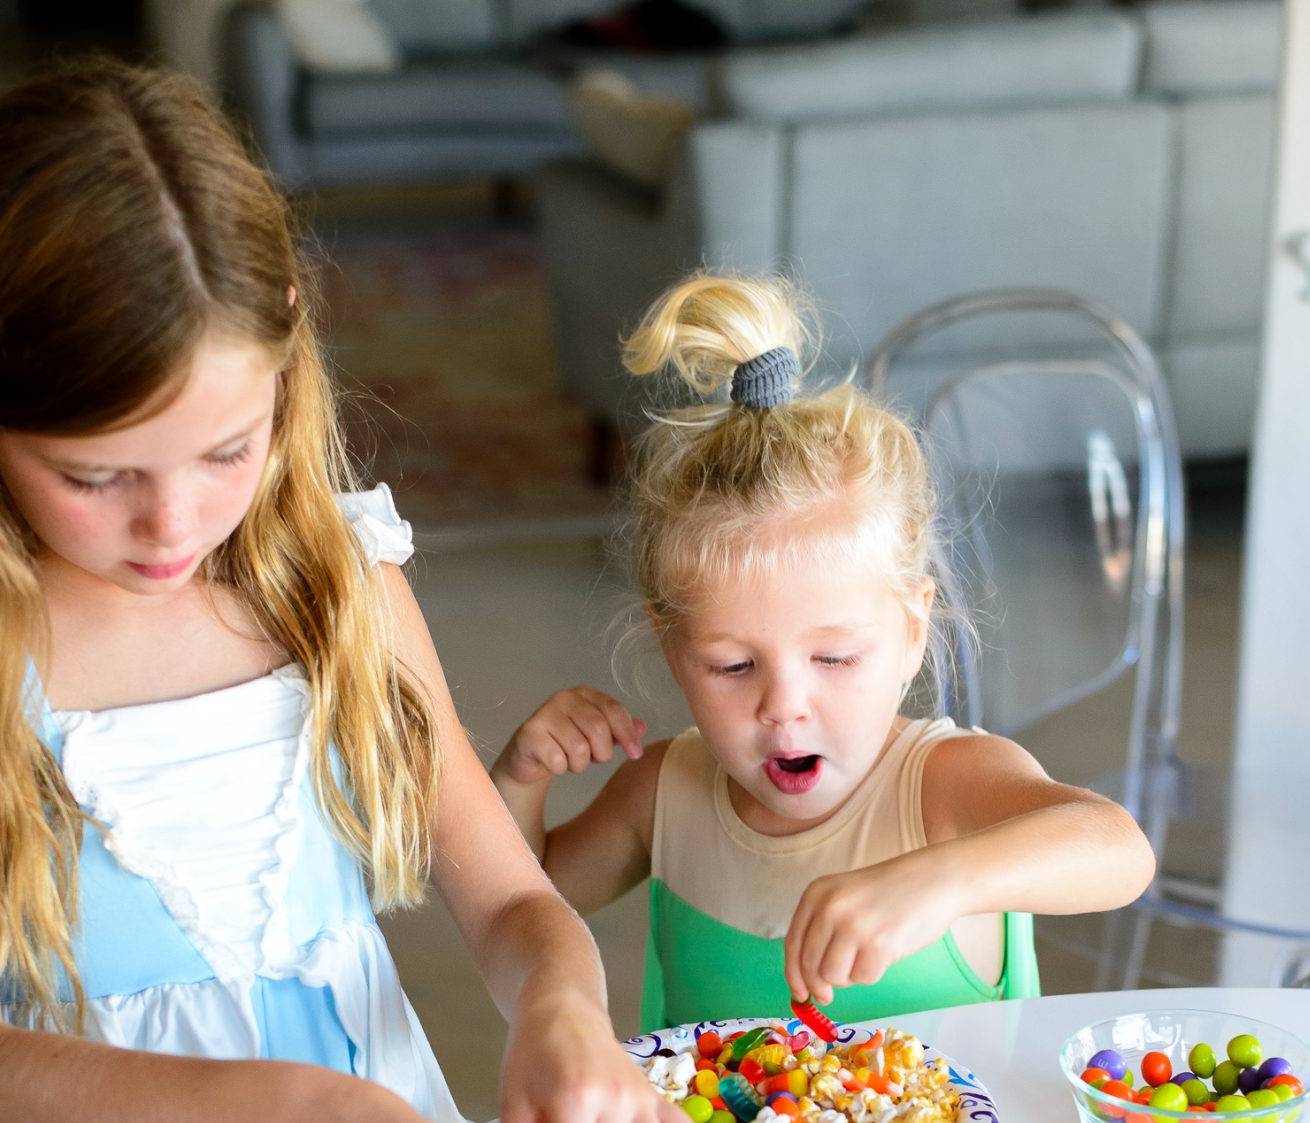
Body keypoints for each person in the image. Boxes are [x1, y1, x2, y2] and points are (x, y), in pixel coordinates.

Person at [0, 63, 694, 1123]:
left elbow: (509, 900)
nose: (172, 520)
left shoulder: (338, 581)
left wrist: (562, 1006)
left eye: (226, 450)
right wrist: (299, 1115)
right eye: (97, 474)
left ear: (289, 354)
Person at [494, 274, 1157, 1032]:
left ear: (913, 630)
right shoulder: (662, 794)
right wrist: (521, 779)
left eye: (834, 658)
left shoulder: (943, 786)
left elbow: (1120, 850)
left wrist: (941, 878)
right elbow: (521, 902)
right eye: (733, 666)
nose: (784, 706)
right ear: (671, 649)